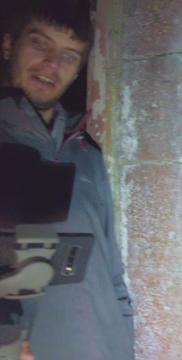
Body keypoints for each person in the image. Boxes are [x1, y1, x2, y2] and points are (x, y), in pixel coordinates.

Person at [0, 2, 134, 359]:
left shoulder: (85, 152)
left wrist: (124, 341)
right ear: (8, 45)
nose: (51, 65)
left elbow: (113, 273)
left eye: (69, 56)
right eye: (40, 44)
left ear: (78, 72)